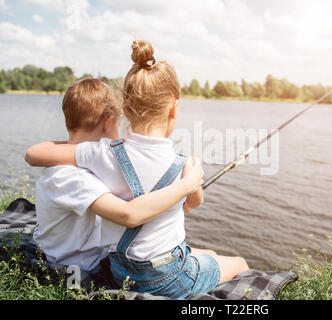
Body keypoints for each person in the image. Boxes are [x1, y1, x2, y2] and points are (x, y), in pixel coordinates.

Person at [25, 40, 249, 298]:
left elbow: (34, 154)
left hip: (122, 268)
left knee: (207, 255)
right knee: (239, 263)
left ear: (126, 110)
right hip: (168, 274)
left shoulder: (102, 154)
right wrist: (190, 184)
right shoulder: (183, 164)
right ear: (174, 109)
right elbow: (192, 203)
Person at [25, 78, 204, 275]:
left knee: (200, 254)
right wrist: (187, 184)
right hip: (83, 265)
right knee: (203, 257)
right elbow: (129, 214)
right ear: (109, 123)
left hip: (75, 252)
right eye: (118, 125)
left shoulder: (72, 165)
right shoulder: (73, 177)